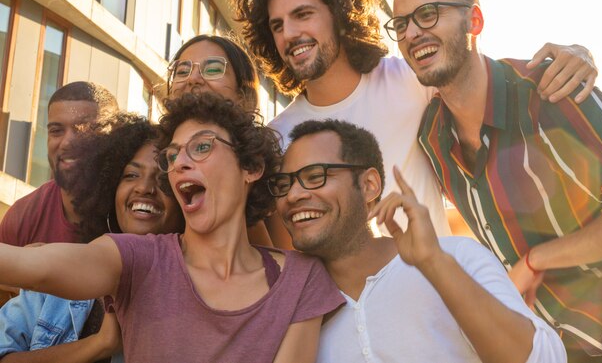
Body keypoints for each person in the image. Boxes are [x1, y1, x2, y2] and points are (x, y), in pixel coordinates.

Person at [236, 0, 598, 242]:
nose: (290, 34)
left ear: (339, 17)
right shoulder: (280, 138)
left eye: (303, 15)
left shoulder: (409, 78)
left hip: (443, 306)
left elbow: (484, 77)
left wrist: (576, 52)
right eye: (277, 25)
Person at [386, 0, 602, 363]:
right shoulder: (432, 139)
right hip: (538, 344)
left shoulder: (551, 91)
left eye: (428, 14)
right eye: (401, 23)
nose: (412, 33)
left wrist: (537, 260)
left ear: (474, 20)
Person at [0, 93, 344, 363]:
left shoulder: (301, 279)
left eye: (202, 147)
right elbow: (33, 267)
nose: (179, 164)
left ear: (251, 166)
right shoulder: (138, 259)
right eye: (174, 155)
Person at [270, 119, 566, 363]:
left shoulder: (457, 256)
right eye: (284, 184)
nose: (293, 196)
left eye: (315, 176)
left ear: (369, 185)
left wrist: (433, 264)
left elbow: (541, 358)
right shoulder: (290, 308)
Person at [0, 113, 185, 363]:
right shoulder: (59, 274)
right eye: (131, 175)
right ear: (108, 190)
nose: (144, 188)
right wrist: (100, 344)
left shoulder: (193, 296)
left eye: (163, 181)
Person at [165, 34, 273, 246]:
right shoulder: (152, 154)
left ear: (244, 95)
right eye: (182, 71)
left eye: (213, 69)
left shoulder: (268, 175)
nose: (193, 79)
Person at [0, 81, 119, 246]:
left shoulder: (134, 207)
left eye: (83, 130)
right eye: (56, 131)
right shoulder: (23, 217)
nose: (66, 143)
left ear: (114, 136)